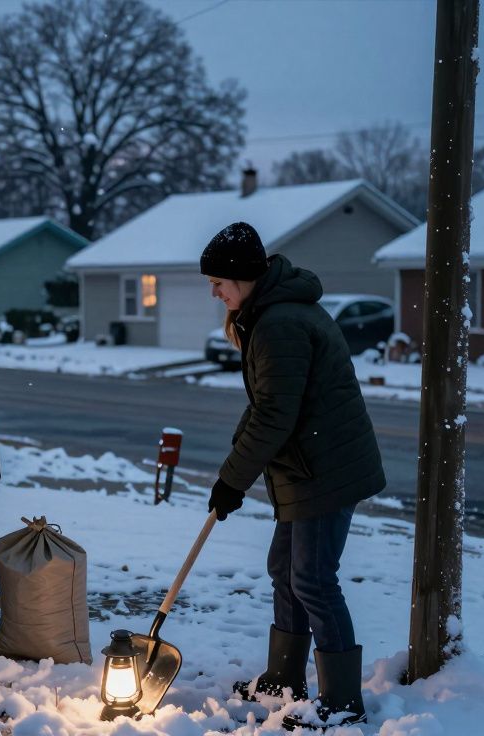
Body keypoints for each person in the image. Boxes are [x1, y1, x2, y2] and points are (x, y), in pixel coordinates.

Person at [201, 222, 384, 726]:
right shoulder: (269, 314)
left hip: (326, 469)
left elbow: (276, 417)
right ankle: (285, 679)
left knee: (313, 580)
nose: (214, 292)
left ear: (243, 278)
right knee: (286, 571)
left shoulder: (280, 323)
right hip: (307, 464)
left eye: (219, 282)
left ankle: (343, 703)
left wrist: (232, 479)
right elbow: (268, 405)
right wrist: (236, 462)